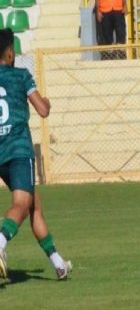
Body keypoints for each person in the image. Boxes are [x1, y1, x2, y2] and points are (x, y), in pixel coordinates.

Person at [0, 29, 72, 281]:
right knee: (21, 204)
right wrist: (48, 102)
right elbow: (42, 110)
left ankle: (59, 263)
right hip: (18, 151)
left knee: (34, 205)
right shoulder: (21, 76)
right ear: (10, 54)